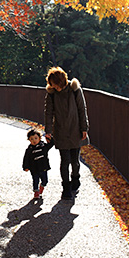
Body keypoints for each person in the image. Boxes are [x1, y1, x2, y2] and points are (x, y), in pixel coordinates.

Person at [44, 66, 89, 200]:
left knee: (75, 161)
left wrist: (84, 128)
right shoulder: (51, 94)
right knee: (65, 161)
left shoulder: (74, 89)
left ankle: (75, 178)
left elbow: (82, 109)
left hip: (75, 128)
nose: (53, 86)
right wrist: (48, 131)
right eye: (51, 84)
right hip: (60, 130)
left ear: (60, 81)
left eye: (55, 84)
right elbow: (48, 113)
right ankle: (66, 188)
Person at [22, 128, 54, 199]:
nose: (34, 140)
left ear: (39, 138)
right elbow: (26, 159)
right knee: (35, 180)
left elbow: (51, 144)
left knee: (45, 181)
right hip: (34, 168)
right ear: (29, 140)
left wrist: (50, 138)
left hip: (43, 167)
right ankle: (36, 192)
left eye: (36, 138)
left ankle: (41, 189)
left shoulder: (43, 146)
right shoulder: (29, 150)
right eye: (32, 139)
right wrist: (25, 167)